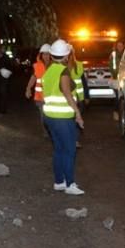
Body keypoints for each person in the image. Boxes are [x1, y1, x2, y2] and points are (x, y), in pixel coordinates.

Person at [42, 39, 85, 195]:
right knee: (69, 150)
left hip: (50, 117)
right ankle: (70, 184)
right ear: (66, 56)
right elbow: (67, 93)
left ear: (52, 55)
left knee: (59, 149)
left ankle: (59, 182)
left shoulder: (49, 70)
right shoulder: (63, 71)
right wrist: (78, 114)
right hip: (63, 117)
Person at [66, 45, 88, 148]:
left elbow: (83, 81)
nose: (70, 56)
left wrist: (87, 96)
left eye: (71, 53)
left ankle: (74, 140)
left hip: (78, 98)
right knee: (71, 120)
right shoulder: (61, 67)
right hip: (68, 98)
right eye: (68, 53)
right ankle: (72, 140)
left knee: (76, 120)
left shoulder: (79, 65)